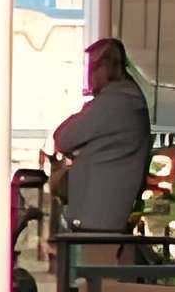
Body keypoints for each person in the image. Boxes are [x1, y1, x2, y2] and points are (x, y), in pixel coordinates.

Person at [53, 36, 154, 241]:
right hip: (109, 214)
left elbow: (63, 138)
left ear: (108, 66)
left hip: (95, 220)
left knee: (88, 260)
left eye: (93, 68)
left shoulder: (113, 102)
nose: (90, 76)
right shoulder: (128, 100)